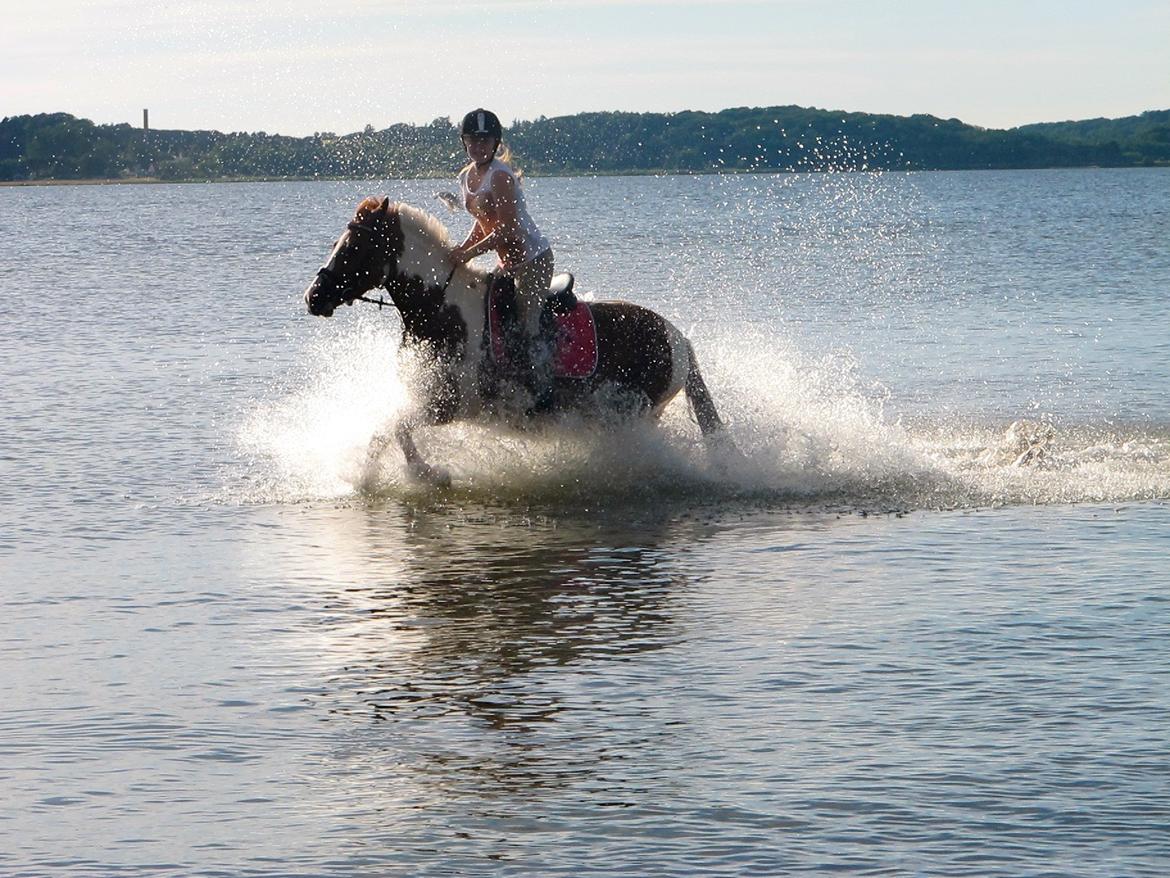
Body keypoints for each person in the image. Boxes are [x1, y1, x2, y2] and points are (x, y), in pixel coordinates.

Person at [448, 108, 555, 410]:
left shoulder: (501, 176)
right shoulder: (467, 177)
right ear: (464, 142)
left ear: (495, 143)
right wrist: (460, 248)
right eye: (473, 140)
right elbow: (482, 222)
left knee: (526, 323)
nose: (479, 146)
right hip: (507, 264)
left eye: (485, 140)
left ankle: (543, 391)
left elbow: (509, 229)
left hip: (533, 261)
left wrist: (469, 253)